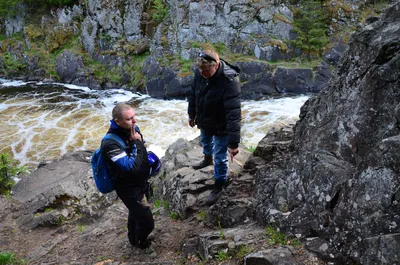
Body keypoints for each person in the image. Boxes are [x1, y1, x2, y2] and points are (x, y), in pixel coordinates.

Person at [188, 50, 241, 206]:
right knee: (205, 140)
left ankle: (219, 184)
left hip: (222, 125)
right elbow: (194, 94)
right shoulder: (201, 73)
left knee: (220, 156)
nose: (202, 74)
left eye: (206, 71)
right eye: (200, 70)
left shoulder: (230, 81)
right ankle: (206, 158)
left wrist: (233, 144)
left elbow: (234, 114)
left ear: (216, 65)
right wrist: (191, 115)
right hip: (205, 119)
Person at [101, 103, 154, 249]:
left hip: (141, 182)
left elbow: (141, 154)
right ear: (117, 121)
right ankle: (140, 241)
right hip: (128, 188)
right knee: (147, 222)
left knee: (135, 213)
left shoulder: (133, 129)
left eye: (134, 116)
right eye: (129, 119)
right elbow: (131, 168)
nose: (134, 121)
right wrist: (137, 142)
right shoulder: (110, 144)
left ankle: (134, 239)